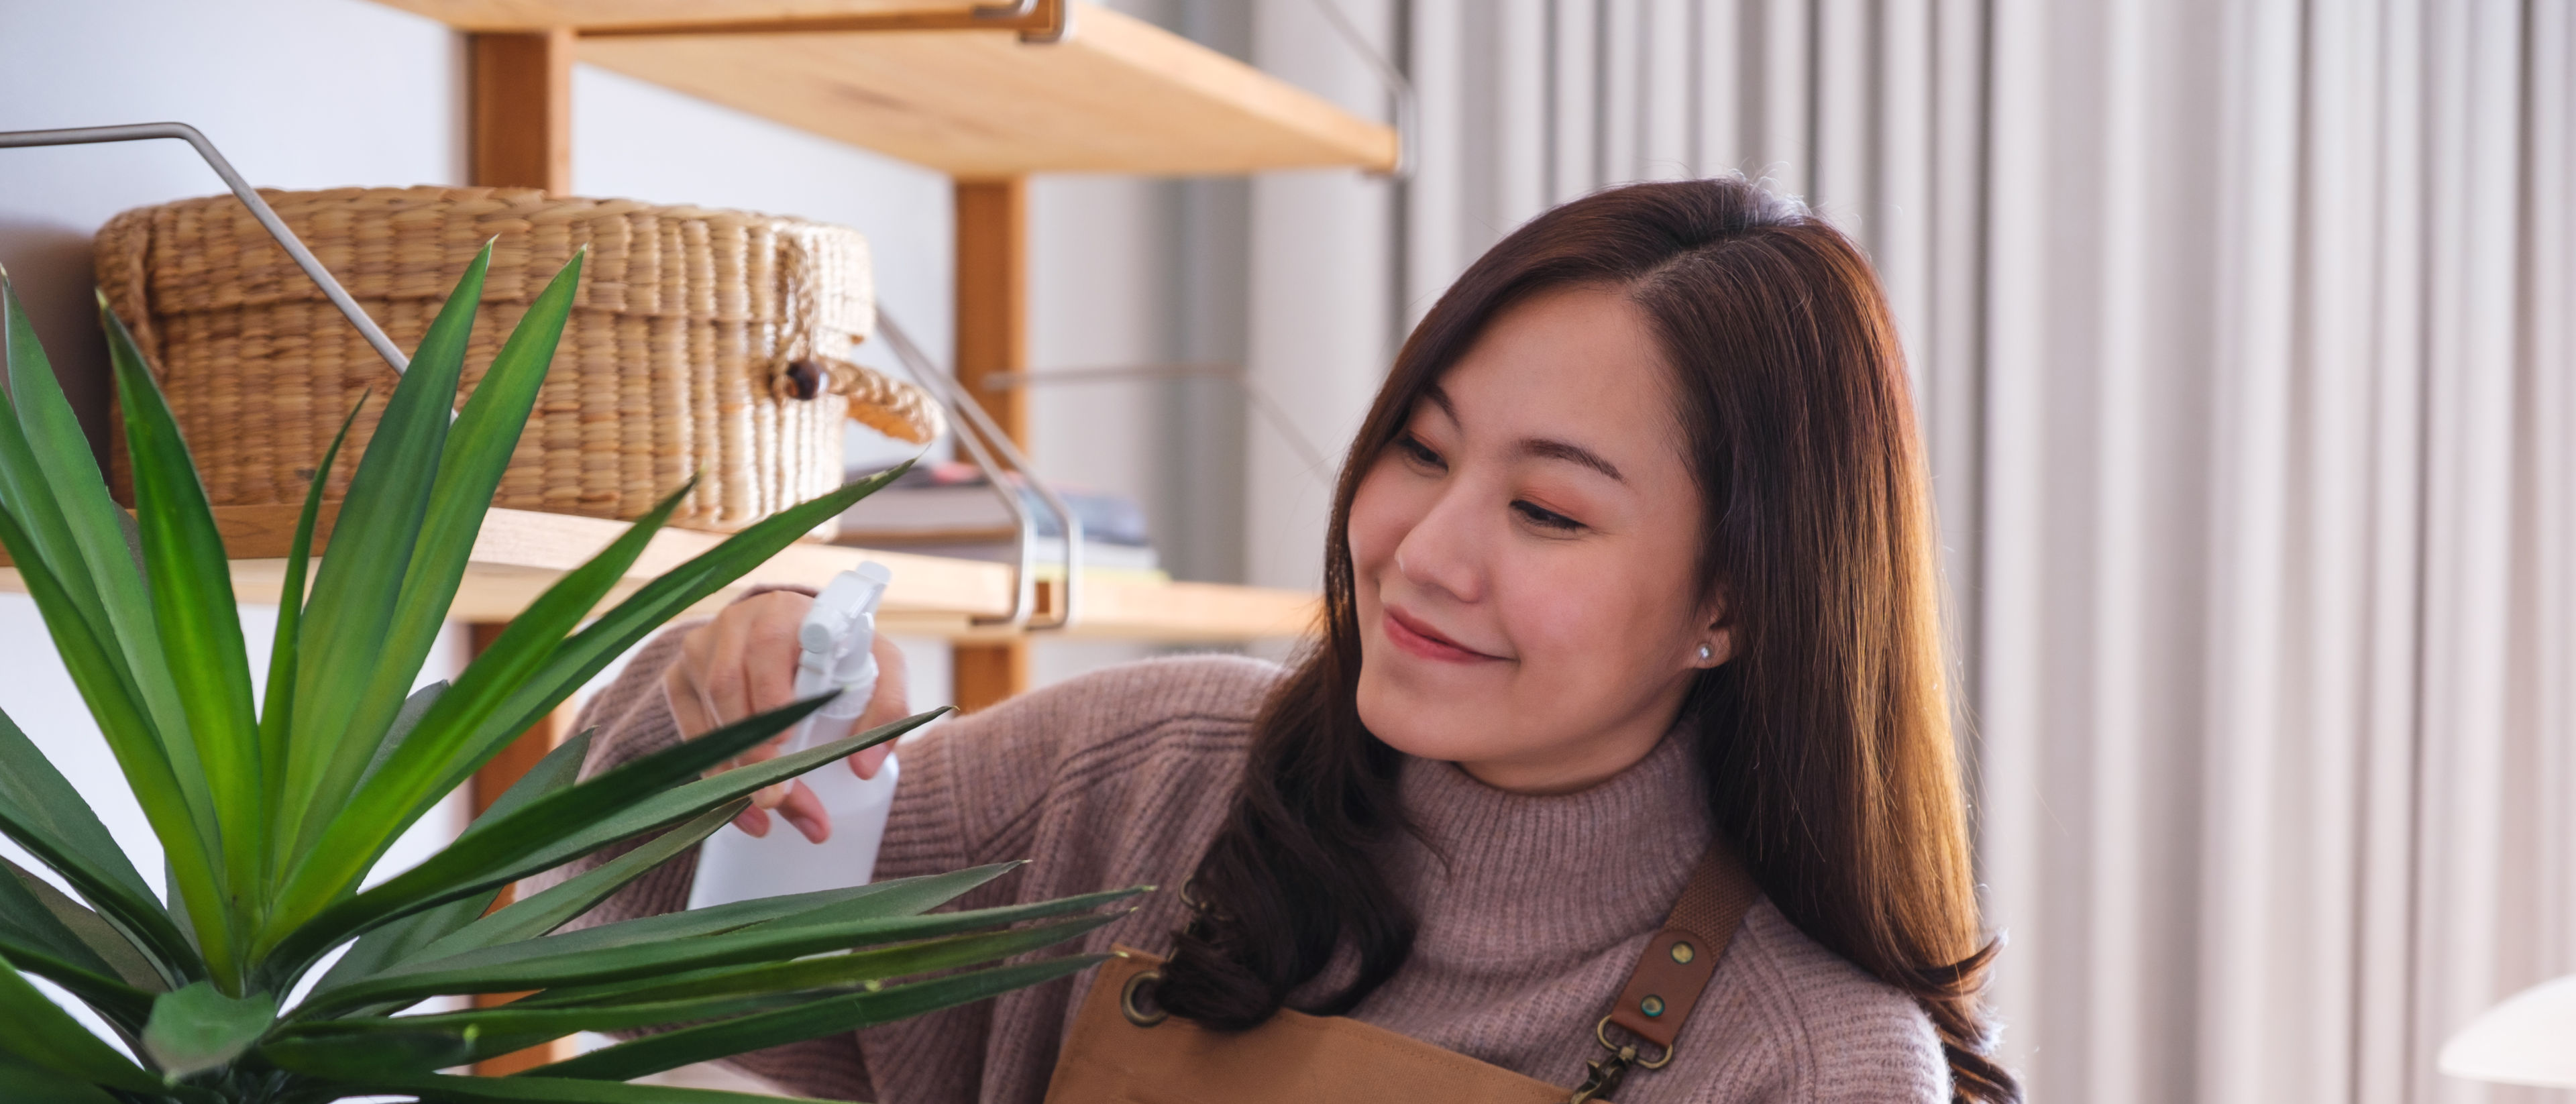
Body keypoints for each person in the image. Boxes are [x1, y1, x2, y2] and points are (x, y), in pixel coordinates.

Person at [548, 176, 2017, 1103]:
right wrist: (732, 703)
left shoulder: (1810, 1061)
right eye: (1422, 453)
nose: (1427, 553)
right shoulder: (1141, 780)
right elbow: (611, 952)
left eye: (1550, 512)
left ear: (1736, 602)